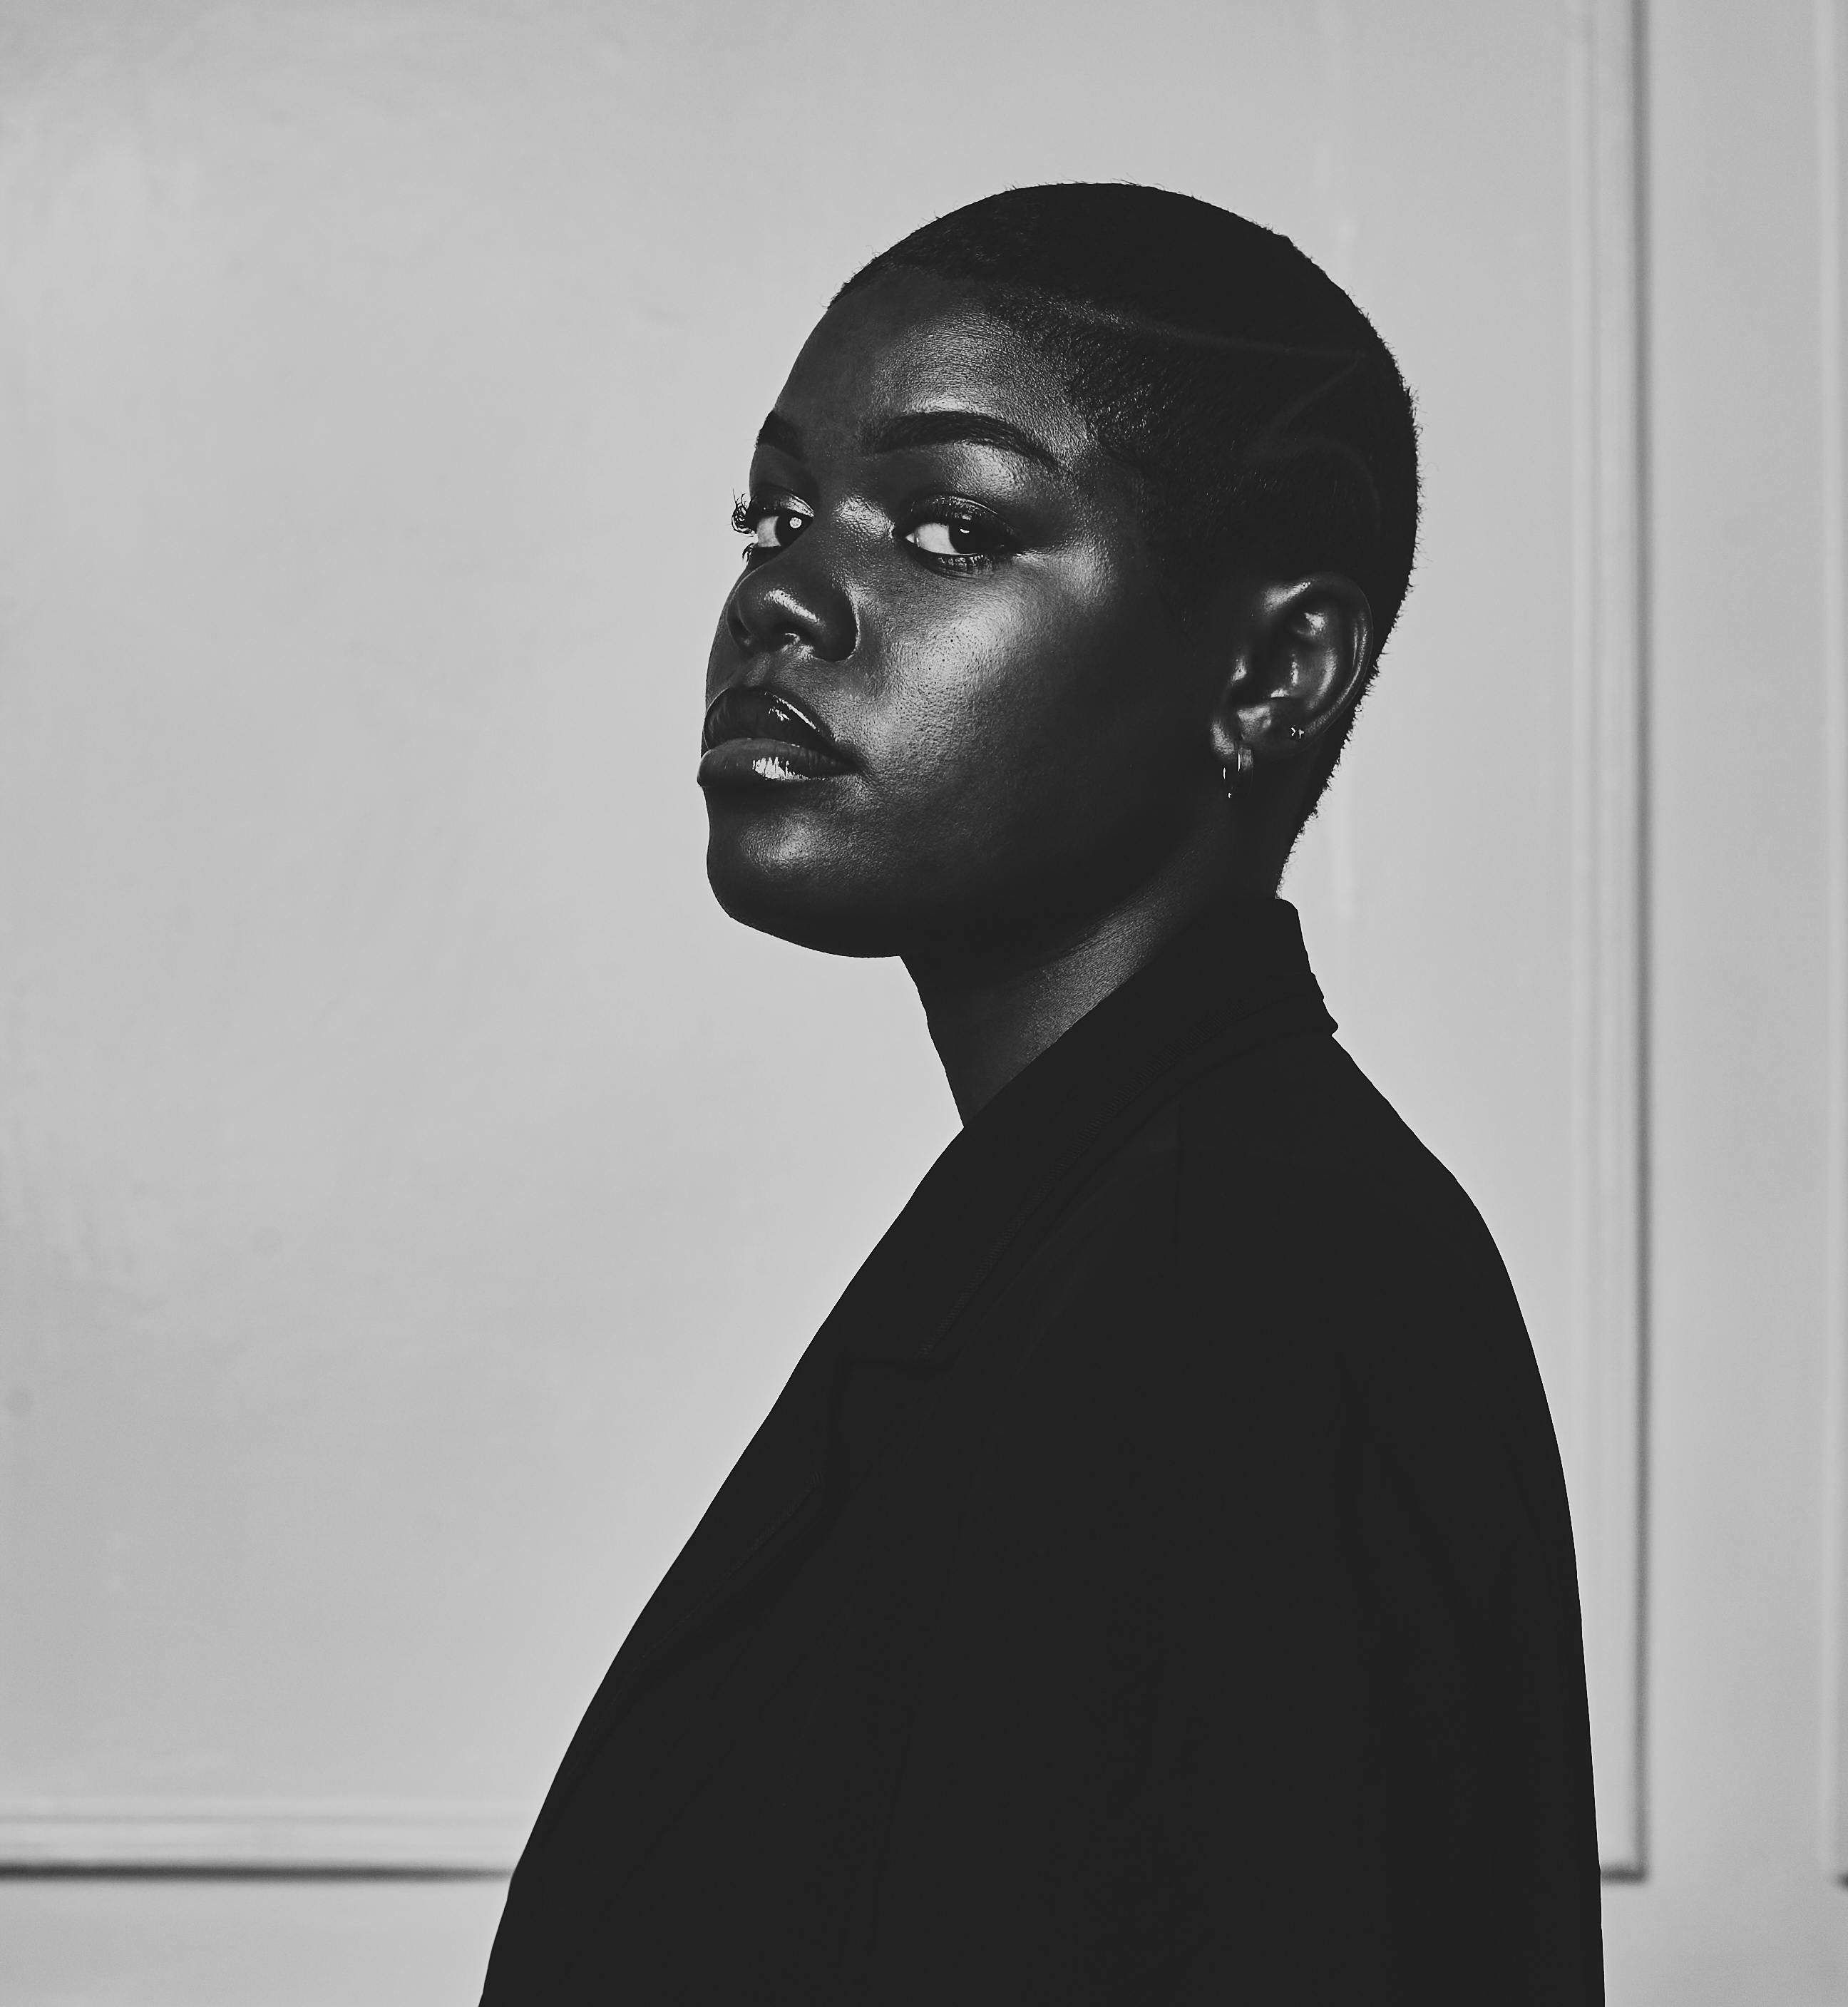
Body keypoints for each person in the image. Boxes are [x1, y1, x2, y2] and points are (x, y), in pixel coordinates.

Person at [481, 182, 1604, 2004]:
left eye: (949, 523)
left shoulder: (1231, 1299)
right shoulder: (1115, 1231)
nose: (784, 594)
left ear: (1269, 670)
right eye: (775, 509)